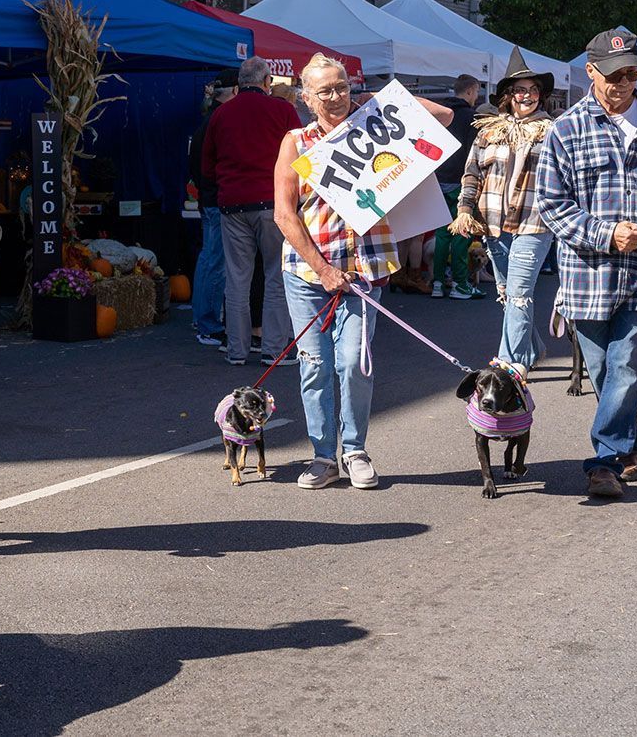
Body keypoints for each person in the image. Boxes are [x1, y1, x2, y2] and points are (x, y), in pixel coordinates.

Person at [274, 53, 453, 490]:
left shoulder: (373, 128)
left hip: (365, 268)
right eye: (325, 91)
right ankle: (322, 456)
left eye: (341, 87)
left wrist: (377, 102)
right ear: (305, 97)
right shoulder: (296, 142)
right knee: (314, 363)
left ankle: (354, 449)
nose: (335, 97)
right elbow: (284, 215)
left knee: (355, 362)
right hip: (307, 271)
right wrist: (321, 269)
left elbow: (444, 115)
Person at [535, 28, 637, 498]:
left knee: (627, 364)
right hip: (587, 274)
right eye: (613, 75)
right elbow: (552, 206)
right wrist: (605, 233)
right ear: (591, 72)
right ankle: (630, 441)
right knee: (603, 372)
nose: (623, 83)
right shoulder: (565, 130)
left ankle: (603, 462)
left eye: (632, 73)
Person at [450, 48, 556, 370]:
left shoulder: (552, 131)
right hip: (494, 224)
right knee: (508, 295)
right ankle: (533, 350)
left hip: (534, 223)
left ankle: (510, 365)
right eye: (521, 90)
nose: (528, 96)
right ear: (508, 95)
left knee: (520, 294)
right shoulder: (488, 131)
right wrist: (465, 209)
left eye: (534, 90)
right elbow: (472, 174)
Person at [202, 56, 300, 366]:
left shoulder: (221, 114)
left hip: (232, 203)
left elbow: (207, 164)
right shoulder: (283, 110)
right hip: (273, 203)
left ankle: (236, 349)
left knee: (237, 277)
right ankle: (273, 349)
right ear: (267, 81)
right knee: (275, 275)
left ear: (240, 82)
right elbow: (302, 154)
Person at [188, 68, 238, 347]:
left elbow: (197, 165)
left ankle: (202, 318)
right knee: (215, 261)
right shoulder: (218, 120)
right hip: (216, 200)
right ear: (234, 92)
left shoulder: (208, 120)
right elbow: (208, 165)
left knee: (209, 259)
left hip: (209, 198)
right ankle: (208, 323)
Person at [431, 74, 482, 299]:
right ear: (471, 91)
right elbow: (475, 153)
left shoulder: (440, 114)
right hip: (461, 181)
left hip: (438, 178)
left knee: (442, 235)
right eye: (477, 92)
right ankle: (460, 284)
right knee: (462, 232)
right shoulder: (472, 117)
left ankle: (438, 283)